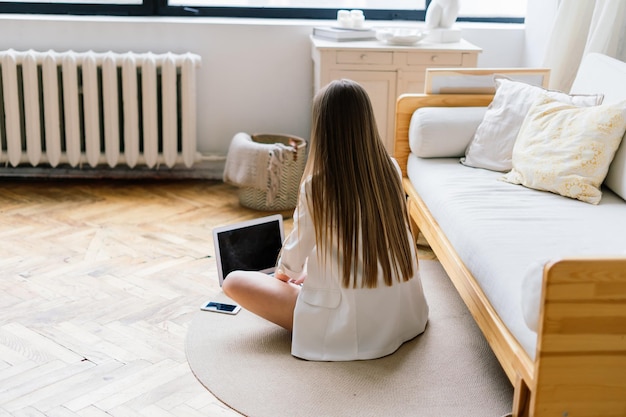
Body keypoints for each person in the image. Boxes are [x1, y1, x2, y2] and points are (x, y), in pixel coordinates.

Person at [222, 79, 429, 361]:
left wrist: (284, 279)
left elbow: (290, 265)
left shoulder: (317, 186)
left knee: (233, 281)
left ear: (322, 128)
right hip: (402, 314)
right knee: (314, 263)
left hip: (347, 324)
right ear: (366, 121)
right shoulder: (390, 168)